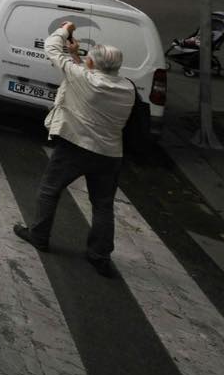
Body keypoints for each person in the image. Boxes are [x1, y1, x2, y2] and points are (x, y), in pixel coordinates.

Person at [13, 21, 135, 278]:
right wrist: (77, 55)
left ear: (93, 65)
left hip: (75, 147)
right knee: (103, 205)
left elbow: (51, 49)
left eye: (89, 59)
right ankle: (99, 255)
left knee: (50, 190)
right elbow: (89, 76)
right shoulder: (127, 88)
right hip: (110, 154)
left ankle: (39, 235)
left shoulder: (85, 80)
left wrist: (65, 30)